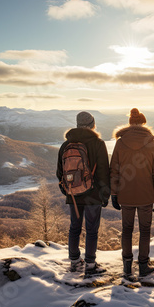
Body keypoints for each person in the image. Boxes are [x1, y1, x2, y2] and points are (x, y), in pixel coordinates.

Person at [110, 108, 154, 280]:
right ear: (144, 123)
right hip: (146, 194)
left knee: (127, 229)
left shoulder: (120, 143)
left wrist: (114, 193)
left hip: (125, 194)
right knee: (145, 230)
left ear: (130, 124)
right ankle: (143, 265)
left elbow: (114, 171)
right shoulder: (152, 143)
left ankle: (127, 265)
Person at [57, 111, 110, 274]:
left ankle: (74, 261)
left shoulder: (66, 145)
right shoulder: (98, 143)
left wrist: (67, 190)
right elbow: (103, 171)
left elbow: (60, 172)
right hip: (93, 195)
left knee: (74, 227)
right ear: (92, 124)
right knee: (91, 229)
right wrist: (104, 194)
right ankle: (90, 265)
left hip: (73, 194)